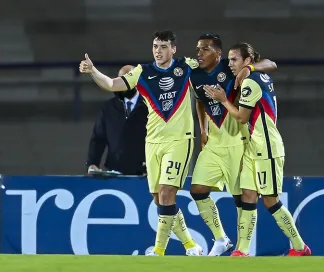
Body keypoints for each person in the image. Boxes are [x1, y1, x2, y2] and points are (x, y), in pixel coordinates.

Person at [80, 30, 202, 256]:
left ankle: (158, 250)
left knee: (166, 193)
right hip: (153, 142)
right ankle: (190, 245)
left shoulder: (187, 67)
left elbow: (214, 66)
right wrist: (93, 71)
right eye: (155, 46)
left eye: (164, 46)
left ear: (173, 49)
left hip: (179, 141)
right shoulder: (142, 72)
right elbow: (111, 84)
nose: (158, 51)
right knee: (160, 200)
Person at [204, 42, 311, 257]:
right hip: (254, 147)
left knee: (270, 199)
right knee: (248, 195)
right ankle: (242, 251)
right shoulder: (258, 76)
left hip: (267, 147)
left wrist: (223, 100)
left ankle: (300, 247)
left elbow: (242, 117)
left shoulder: (251, 82)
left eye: (235, 59)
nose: (231, 63)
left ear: (247, 61)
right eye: (230, 59)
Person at [189, 34, 277, 256]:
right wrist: (203, 129)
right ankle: (221, 238)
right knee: (197, 190)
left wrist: (250, 69)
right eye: (198, 49)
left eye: (204, 49)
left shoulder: (231, 69)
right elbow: (200, 101)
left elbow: (271, 64)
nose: (199, 53)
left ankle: (242, 248)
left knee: (241, 199)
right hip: (214, 144)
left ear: (217, 54)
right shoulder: (194, 76)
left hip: (237, 142)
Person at [86, 65, 148, 176]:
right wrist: (92, 163)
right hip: (114, 173)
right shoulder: (108, 108)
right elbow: (98, 138)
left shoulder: (151, 107)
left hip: (144, 175)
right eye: (120, 79)